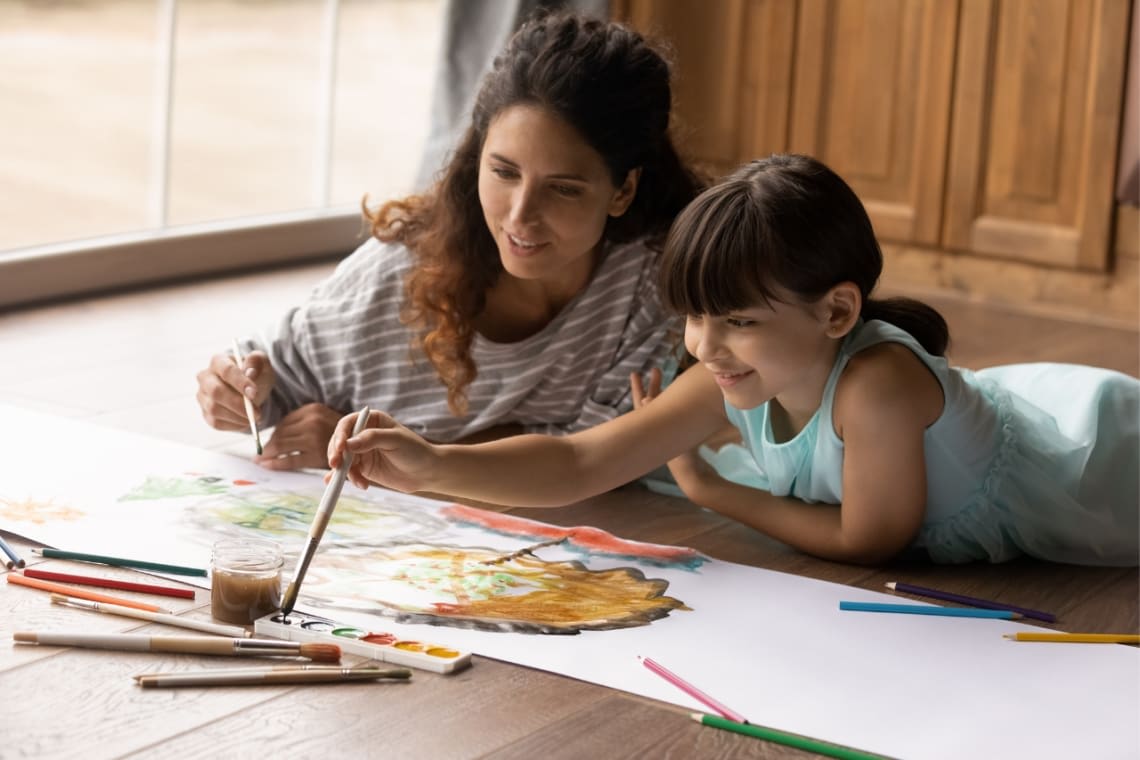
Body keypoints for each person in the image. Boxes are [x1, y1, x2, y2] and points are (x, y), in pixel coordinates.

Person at [326, 153, 1140, 568]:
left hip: (1097, 464)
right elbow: (579, 461)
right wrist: (430, 464)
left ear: (838, 312)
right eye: (694, 318)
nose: (705, 347)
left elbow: (868, 540)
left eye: (739, 321)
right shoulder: (735, 370)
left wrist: (712, 491)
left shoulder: (878, 386)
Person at [195, 12, 706, 470]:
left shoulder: (653, 280)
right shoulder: (400, 275)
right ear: (477, 155)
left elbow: (594, 456)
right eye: (503, 172)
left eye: (563, 189)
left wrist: (402, 457)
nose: (521, 216)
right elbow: (275, 383)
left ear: (624, 190)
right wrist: (240, 394)